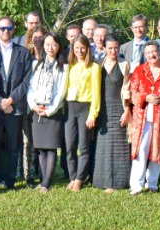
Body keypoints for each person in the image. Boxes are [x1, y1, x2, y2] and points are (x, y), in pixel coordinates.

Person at [0, 17, 34, 190]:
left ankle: (9, 180)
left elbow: (26, 80)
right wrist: (0, 101)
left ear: (14, 30)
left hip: (15, 105)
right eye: (2, 28)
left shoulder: (23, 52)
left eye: (9, 28)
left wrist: (11, 100)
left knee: (13, 144)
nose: (5, 31)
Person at [127, 41, 160, 194]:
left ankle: (153, 183)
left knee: (158, 150)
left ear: (159, 51)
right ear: (144, 54)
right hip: (142, 118)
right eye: (148, 52)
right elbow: (132, 93)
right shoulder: (139, 71)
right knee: (140, 150)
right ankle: (136, 185)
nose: (152, 55)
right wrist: (146, 97)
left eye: (154, 51)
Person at [27, 35, 68, 192]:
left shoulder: (64, 67)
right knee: (41, 148)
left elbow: (61, 91)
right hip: (37, 110)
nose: (51, 47)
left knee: (51, 148)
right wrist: (33, 106)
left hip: (53, 111)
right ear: (43, 46)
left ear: (59, 46)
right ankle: (44, 180)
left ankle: (46, 183)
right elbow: (30, 88)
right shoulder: (36, 64)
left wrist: (50, 110)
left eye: (54, 44)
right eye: (47, 44)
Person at [93, 38, 131, 192]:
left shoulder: (124, 65)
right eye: (110, 48)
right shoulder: (97, 64)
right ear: (104, 48)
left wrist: (127, 110)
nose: (113, 51)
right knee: (103, 145)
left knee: (119, 146)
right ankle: (102, 180)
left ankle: (119, 182)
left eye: (116, 48)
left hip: (118, 108)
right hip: (102, 109)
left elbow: (127, 89)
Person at [63, 36, 100, 192]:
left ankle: (80, 178)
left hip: (85, 107)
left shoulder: (94, 67)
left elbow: (96, 93)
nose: (79, 51)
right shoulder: (69, 66)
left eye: (82, 47)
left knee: (83, 146)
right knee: (70, 145)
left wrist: (93, 114)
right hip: (70, 107)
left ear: (88, 48)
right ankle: (72, 176)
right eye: (76, 47)